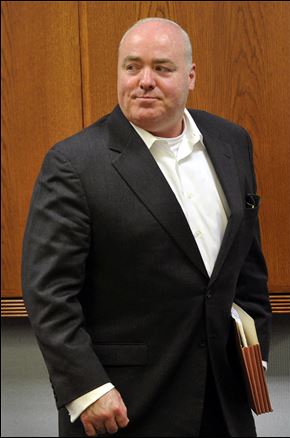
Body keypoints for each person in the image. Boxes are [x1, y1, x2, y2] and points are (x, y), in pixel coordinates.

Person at [22, 17, 272, 437]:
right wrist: (87, 388)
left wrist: (255, 356)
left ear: (191, 76)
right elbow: (48, 291)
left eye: (162, 68)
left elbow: (247, 265)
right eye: (132, 67)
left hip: (225, 401)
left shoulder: (232, 142)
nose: (144, 81)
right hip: (124, 407)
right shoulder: (74, 163)